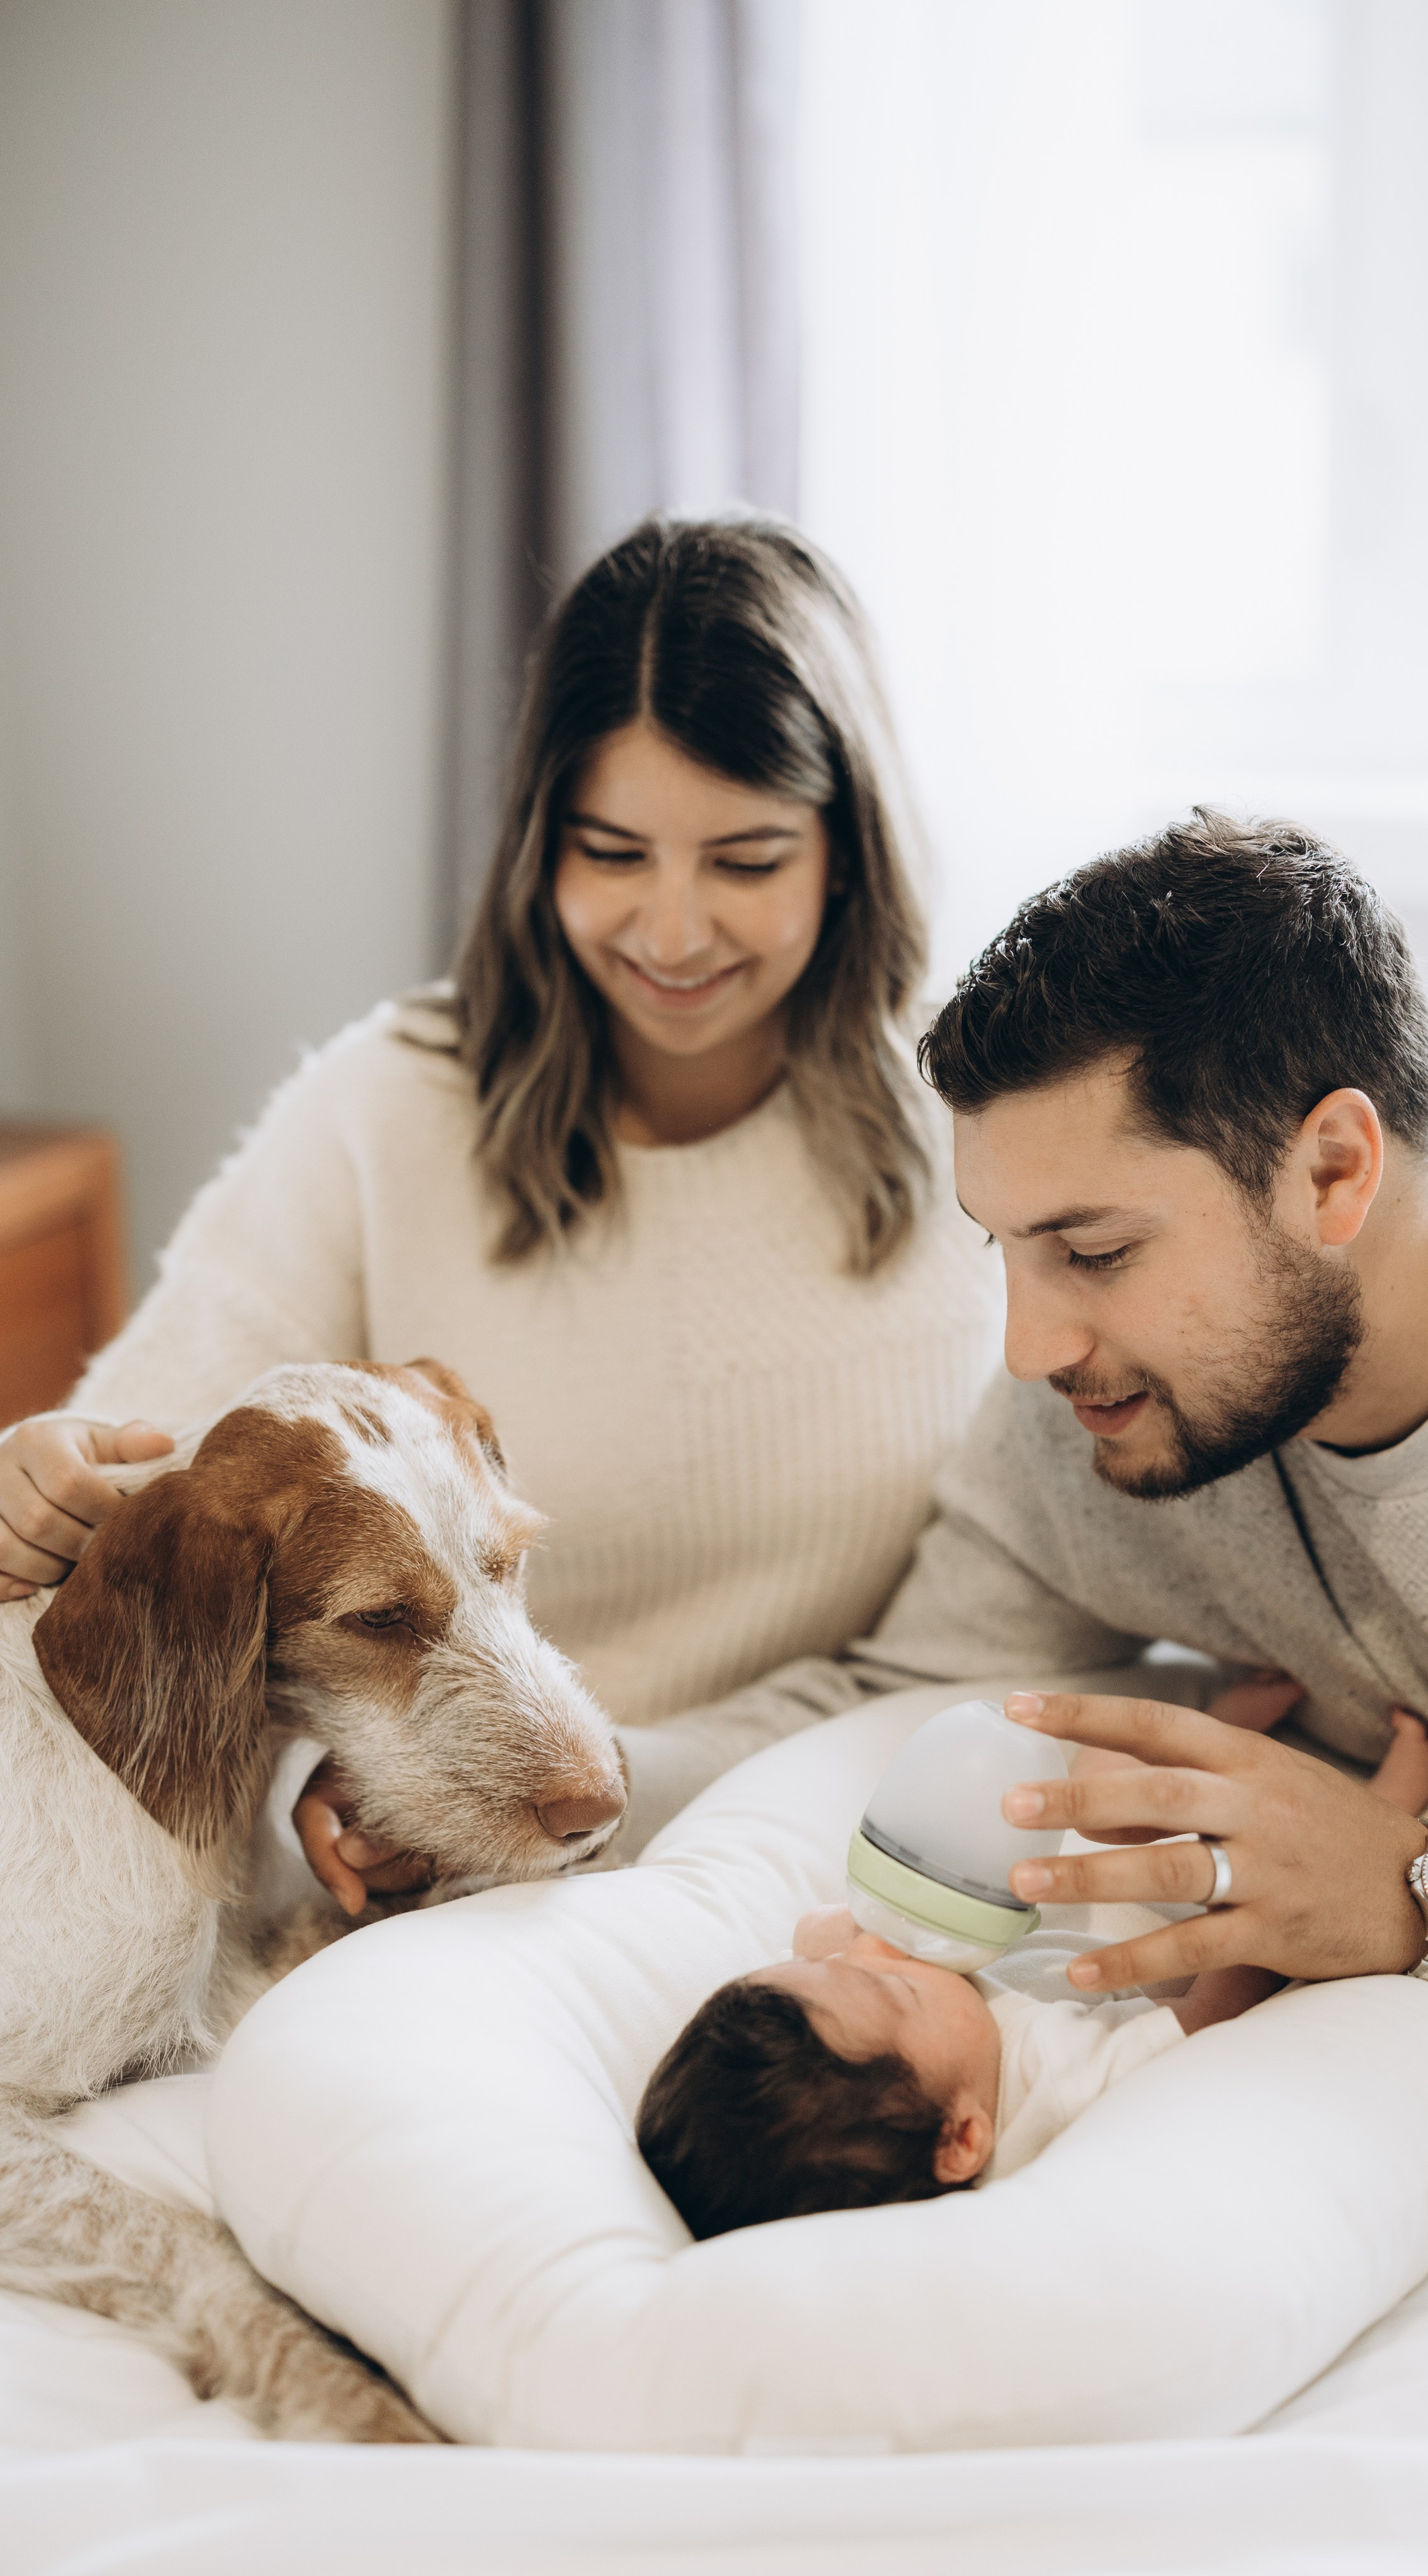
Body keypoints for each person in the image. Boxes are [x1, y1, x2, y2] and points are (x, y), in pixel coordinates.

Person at [613, 810, 1428, 2116]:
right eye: (1004, 1251)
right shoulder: (1095, 1407)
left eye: (1091, 1255)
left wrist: (1425, 1895)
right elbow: (896, 1694)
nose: (1027, 1349)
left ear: (1330, 1169)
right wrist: (527, 1797)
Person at [0, 516, 1001, 1904]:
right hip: (442, 1860)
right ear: (539, 843)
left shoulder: (990, 1140)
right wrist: (37, 1507)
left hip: (812, 1842)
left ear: (848, 852)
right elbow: (150, 1533)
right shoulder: (384, 1110)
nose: (669, 931)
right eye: (611, 851)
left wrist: (626, 1788)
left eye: (746, 860)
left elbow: (990, 1642)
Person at [637, 1709, 1428, 2239]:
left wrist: (847, 1946)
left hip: (1038, 1895)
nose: (868, 1954)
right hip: (1178, 1916)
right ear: (963, 2137)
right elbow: (1210, 2016)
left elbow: (830, 1943)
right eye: (884, 1984)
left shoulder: (881, 2034)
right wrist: (1252, 1924)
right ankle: (1396, 1790)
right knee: (1250, 1852)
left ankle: (1229, 1709)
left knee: (1096, 1790)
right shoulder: (1053, 2086)